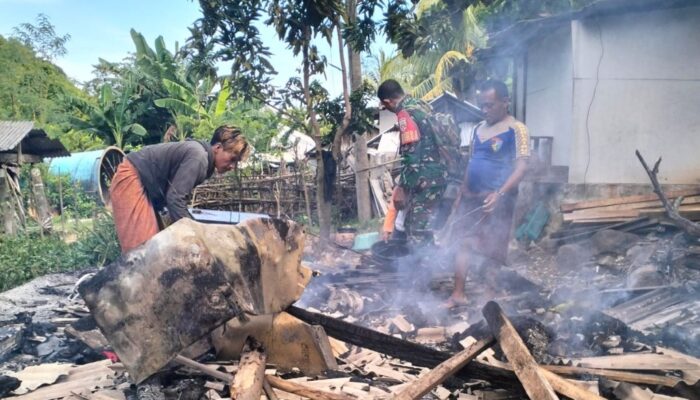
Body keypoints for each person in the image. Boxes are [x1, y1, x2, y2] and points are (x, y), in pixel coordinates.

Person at [444, 80, 530, 308]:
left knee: (493, 249)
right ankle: (458, 294)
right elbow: (472, 162)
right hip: (471, 196)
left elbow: (521, 168)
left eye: (489, 105)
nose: (484, 110)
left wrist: (499, 194)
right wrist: (461, 194)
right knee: (462, 242)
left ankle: (487, 299)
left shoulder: (517, 129)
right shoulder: (477, 129)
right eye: (482, 105)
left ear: (505, 102)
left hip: (498, 199)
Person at [110, 125, 250, 253]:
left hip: (144, 184)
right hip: (131, 177)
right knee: (141, 253)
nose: (233, 166)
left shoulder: (203, 159)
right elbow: (175, 199)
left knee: (157, 248)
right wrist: (196, 236)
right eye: (232, 159)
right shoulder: (199, 157)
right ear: (218, 148)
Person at [377, 79, 448, 244]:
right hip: (439, 176)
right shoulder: (422, 106)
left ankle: (421, 268)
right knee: (425, 228)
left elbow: (411, 154)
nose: (387, 110)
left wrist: (402, 187)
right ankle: (429, 264)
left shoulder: (405, 114)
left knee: (415, 231)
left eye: (385, 106)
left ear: (388, 101)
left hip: (424, 180)